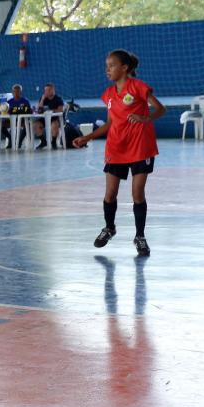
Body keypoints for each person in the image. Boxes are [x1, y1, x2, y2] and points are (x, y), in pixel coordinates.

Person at [73, 49, 165, 257]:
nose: (107, 69)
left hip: (140, 146)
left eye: (112, 65)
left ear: (124, 68)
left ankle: (140, 236)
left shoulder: (139, 87)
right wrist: (87, 137)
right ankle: (109, 228)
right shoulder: (109, 94)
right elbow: (110, 123)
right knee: (110, 193)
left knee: (137, 193)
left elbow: (161, 109)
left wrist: (145, 118)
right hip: (116, 147)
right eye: (106, 66)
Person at [32, 82, 65, 149]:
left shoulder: (58, 99)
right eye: (46, 90)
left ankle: (53, 142)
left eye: (49, 90)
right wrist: (42, 99)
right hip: (45, 118)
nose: (48, 92)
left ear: (53, 90)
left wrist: (51, 111)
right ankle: (43, 141)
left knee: (54, 125)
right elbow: (39, 110)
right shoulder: (43, 98)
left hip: (55, 118)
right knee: (35, 125)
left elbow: (60, 110)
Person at [2, 84, 32, 148]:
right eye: (15, 91)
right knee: (1, 126)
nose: (16, 93)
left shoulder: (25, 101)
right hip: (11, 120)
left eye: (18, 91)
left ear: (20, 92)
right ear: (12, 92)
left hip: (22, 120)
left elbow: (29, 111)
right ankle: (11, 139)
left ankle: (19, 142)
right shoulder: (9, 102)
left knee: (28, 126)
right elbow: (4, 111)